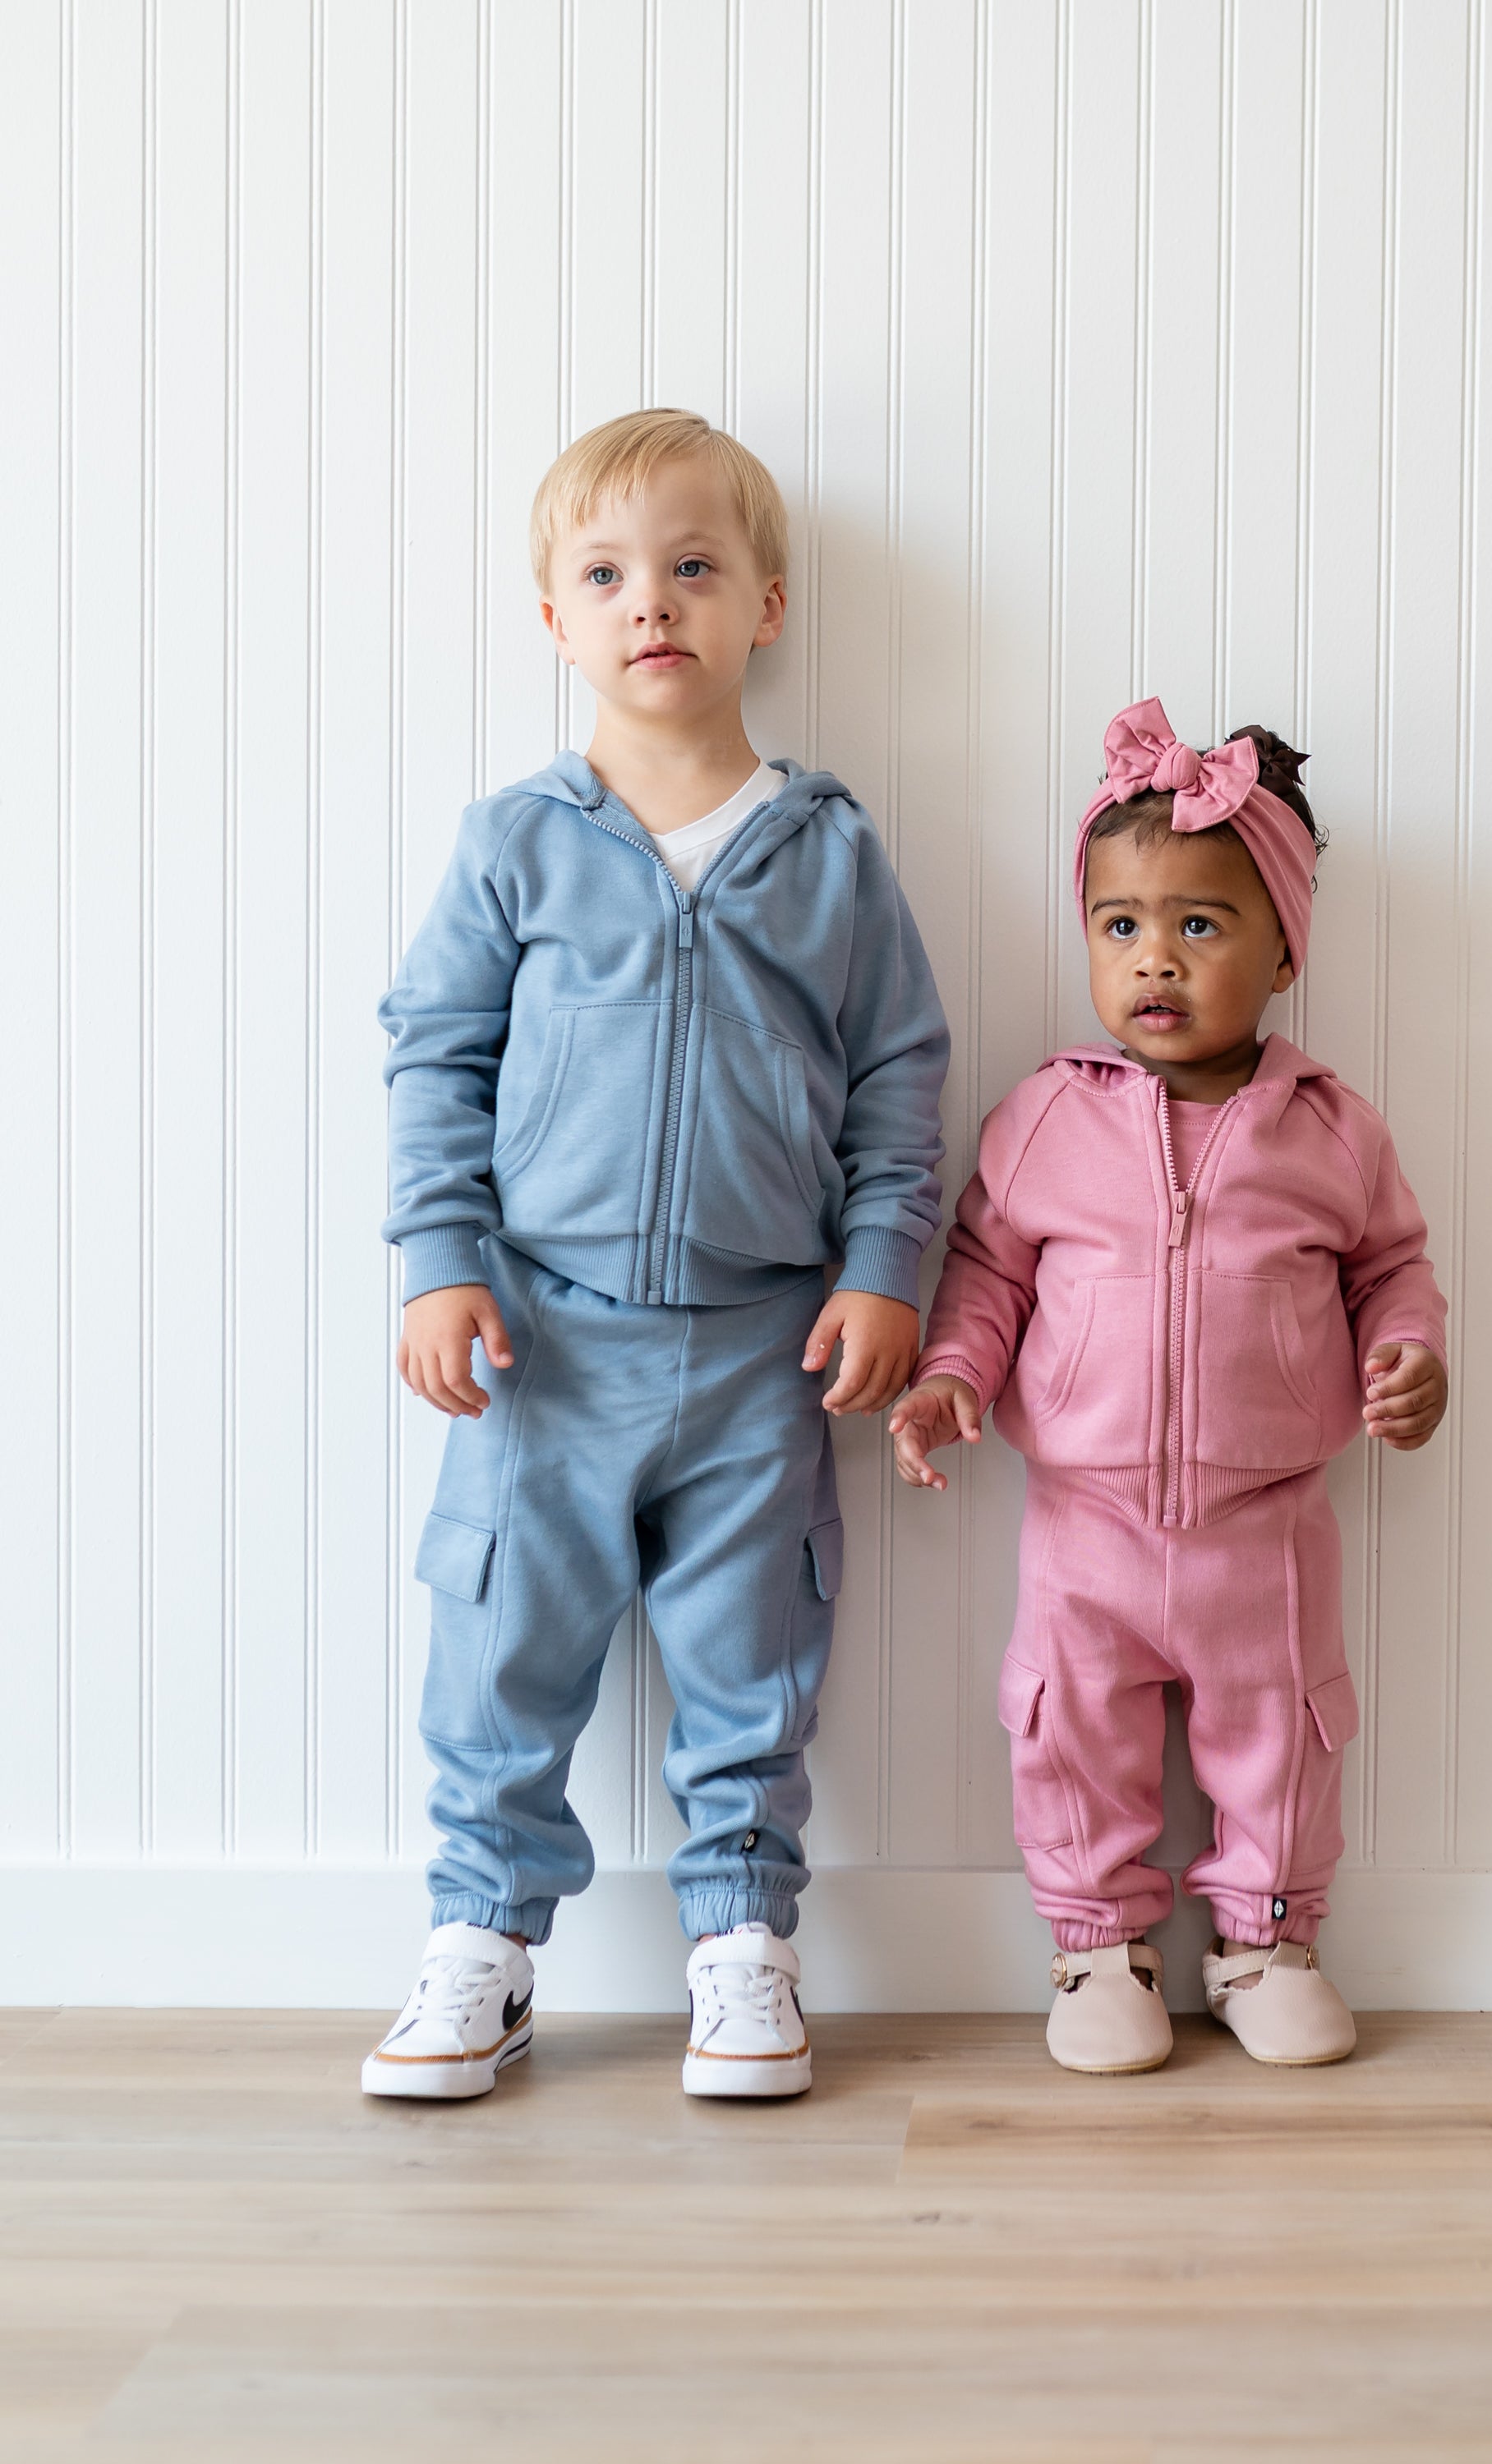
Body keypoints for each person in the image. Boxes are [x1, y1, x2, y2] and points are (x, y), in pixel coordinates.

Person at [365, 409, 948, 2101]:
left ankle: (742, 1944)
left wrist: (886, 1264)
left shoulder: (828, 846)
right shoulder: (517, 842)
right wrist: (437, 1257)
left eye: (695, 568)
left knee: (754, 1654)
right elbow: (434, 1053)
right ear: (555, 619)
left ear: (767, 604)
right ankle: (482, 1938)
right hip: (540, 1342)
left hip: (765, 1346)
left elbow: (903, 1068)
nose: (653, 604)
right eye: (608, 575)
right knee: (500, 1648)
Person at [891, 700, 1448, 2073]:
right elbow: (987, 1270)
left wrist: (1411, 1357)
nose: (1156, 959)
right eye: (1122, 925)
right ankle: (1098, 1949)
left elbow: (1394, 1267)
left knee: (1285, 1731)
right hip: (1085, 1524)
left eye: (1200, 926)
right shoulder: (1044, 1117)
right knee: (1069, 1726)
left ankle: (1267, 1935)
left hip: (1267, 1522)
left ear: (1281, 950)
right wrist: (956, 1371)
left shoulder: (1328, 1126)